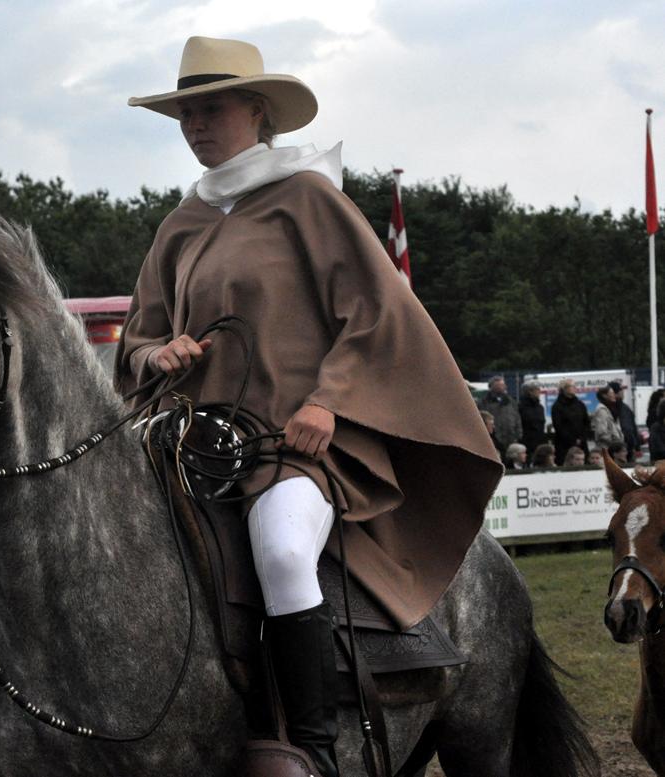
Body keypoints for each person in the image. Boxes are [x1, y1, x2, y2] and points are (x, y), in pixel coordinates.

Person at [115, 36, 500, 777]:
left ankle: (314, 750)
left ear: (258, 113)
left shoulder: (309, 199)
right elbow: (138, 332)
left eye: (211, 108)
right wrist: (153, 356)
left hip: (296, 447)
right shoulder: (181, 223)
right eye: (184, 112)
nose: (195, 124)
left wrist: (328, 402)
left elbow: (379, 312)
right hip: (192, 447)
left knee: (286, 552)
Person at [478, 376, 522, 457]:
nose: (504, 387)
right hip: (495, 440)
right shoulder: (484, 403)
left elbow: (517, 419)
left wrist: (518, 435)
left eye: (503, 384)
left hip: (511, 439)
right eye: (500, 385)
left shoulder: (510, 401)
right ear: (492, 386)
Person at [550, 378, 590, 465]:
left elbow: (586, 422)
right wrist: (573, 440)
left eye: (575, 386)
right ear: (564, 389)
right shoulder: (557, 406)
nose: (575, 388)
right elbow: (558, 426)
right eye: (572, 386)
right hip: (564, 444)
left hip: (581, 443)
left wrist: (582, 438)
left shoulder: (580, 404)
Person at [608, 381, 640, 460]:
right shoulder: (615, 408)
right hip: (620, 447)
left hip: (627, 446)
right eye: (620, 390)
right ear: (615, 393)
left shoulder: (625, 408)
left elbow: (633, 428)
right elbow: (629, 428)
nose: (623, 392)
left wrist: (636, 446)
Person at [591, 385, 625, 452]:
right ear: (604, 395)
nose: (614, 395)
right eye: (612, 393)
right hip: (606, 449)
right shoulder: (602, 411)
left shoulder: (611, 409)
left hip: (613, 448)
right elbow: (601, 432)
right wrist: (615, 442)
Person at [518, 382, 547, 456]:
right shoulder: (521, 407)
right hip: (527, 441)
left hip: (540, 441)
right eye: (537, 389)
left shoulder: (540, 407)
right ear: (530, 392)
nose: (539, 391)